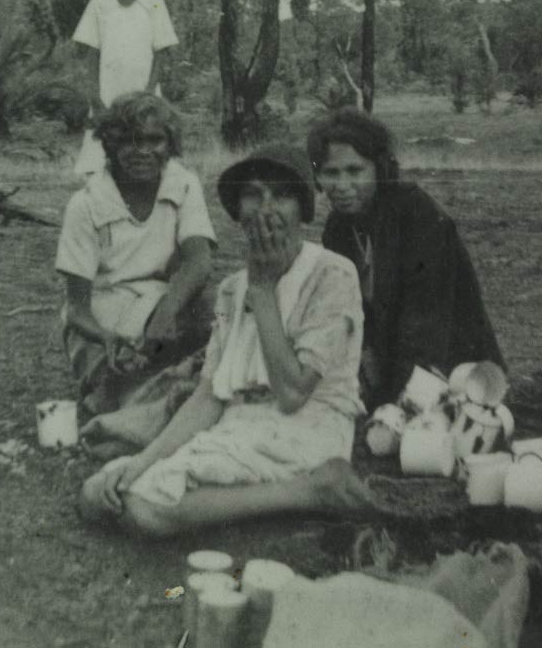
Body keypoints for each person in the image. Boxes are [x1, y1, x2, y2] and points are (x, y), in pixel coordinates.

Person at [77, 145, 376, 537]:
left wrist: (265, 290)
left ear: (303, 209)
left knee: (143, 507)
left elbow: (292, 393)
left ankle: (311, 491)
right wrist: (143, 461)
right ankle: (283, 491)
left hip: (306, 427)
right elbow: (209, 395)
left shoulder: (333, 275)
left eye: (282, 195)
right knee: (95, 493)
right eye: (253, 194)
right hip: (241, 424)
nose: (266, 208)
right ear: (238, 211)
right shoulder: (231, 292)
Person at [308, 109, 504, 408]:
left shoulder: (416, 214)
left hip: (452, 368)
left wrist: (397, 400)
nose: (342, 184)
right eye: (331, 173)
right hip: (387, 366)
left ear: (380, 168)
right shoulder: (338, 228)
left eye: (355, 170)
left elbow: (426, 324)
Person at [57, 93, 216, 421]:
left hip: (163, 308)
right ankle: (123, 390)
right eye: (128, 141)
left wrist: (167, 311)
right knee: (138, 383)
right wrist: (106, 337)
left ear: (170, 145)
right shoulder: (85, 203)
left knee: (220, 308)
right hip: (105, 318)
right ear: (110, 146)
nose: (142, 151)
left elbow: (199, 261)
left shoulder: (183, 184)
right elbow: (76, 309)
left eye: (154, 139)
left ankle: (163, 384)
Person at [71, 0, 180, 177]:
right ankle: (100, 176)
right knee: (100, 153)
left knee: (147, 137)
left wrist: (149, 92)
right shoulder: (100, 1)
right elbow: (92, 51)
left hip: (143, 85)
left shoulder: (153, 0)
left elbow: (161, 52)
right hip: (109, 86)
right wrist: (94, 95)